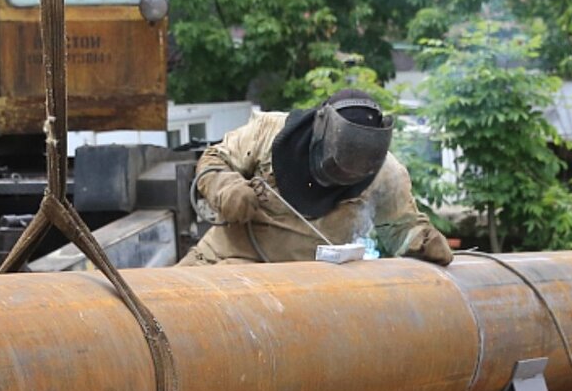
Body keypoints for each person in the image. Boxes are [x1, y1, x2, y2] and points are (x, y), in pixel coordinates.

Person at [178, 89, 454, 267]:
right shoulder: (268, 131)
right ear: (320, 130)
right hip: (222, 259)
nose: (343, 178)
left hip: (305, 287)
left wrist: (423, 241)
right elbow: (214, 159)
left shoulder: (387, 173)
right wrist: (228, 188)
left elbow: (401, 228)